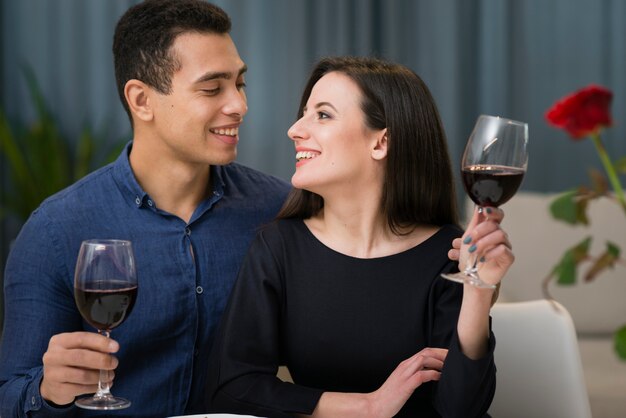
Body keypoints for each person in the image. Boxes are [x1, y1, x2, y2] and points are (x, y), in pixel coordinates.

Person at [0, 0, 290, 416]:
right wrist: (47, 389)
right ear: (141, 100)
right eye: (212, 88)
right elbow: (9, 397)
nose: (239, 105)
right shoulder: (55, 229)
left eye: (240, 84)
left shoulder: (276, 209)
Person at [206, 56, 513, 417]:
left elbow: (462, 409)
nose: (294, 129)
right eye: (305, 113)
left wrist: (479, 290)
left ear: (381, 143)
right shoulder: (279, 247)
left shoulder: (450, 253)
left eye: (322, 115)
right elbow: (233, 387)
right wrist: (367, 407)